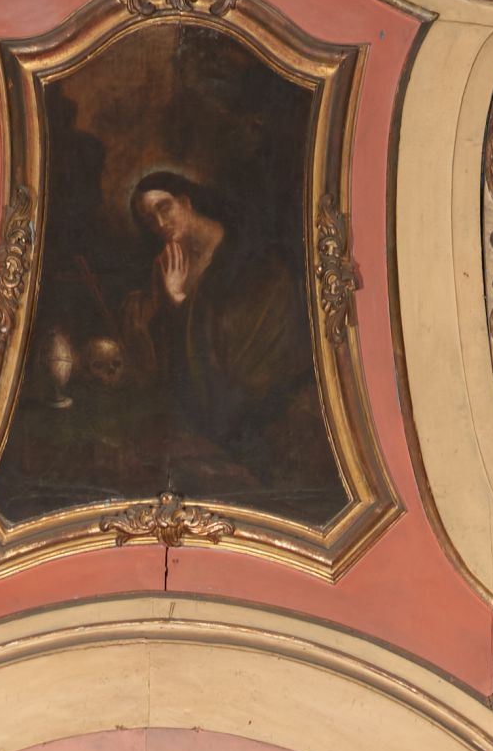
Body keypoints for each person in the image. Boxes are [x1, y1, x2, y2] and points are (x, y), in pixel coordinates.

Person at [120, 164, 336, 511]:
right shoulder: (166, 265)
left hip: (257, 388)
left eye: (164, 208)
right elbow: (170, 358)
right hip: (204, 401)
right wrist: (153, 315)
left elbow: (238, 331)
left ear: (185, 202)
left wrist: (180, 302)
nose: (159, 223)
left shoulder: (243, 249)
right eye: (149, 219)